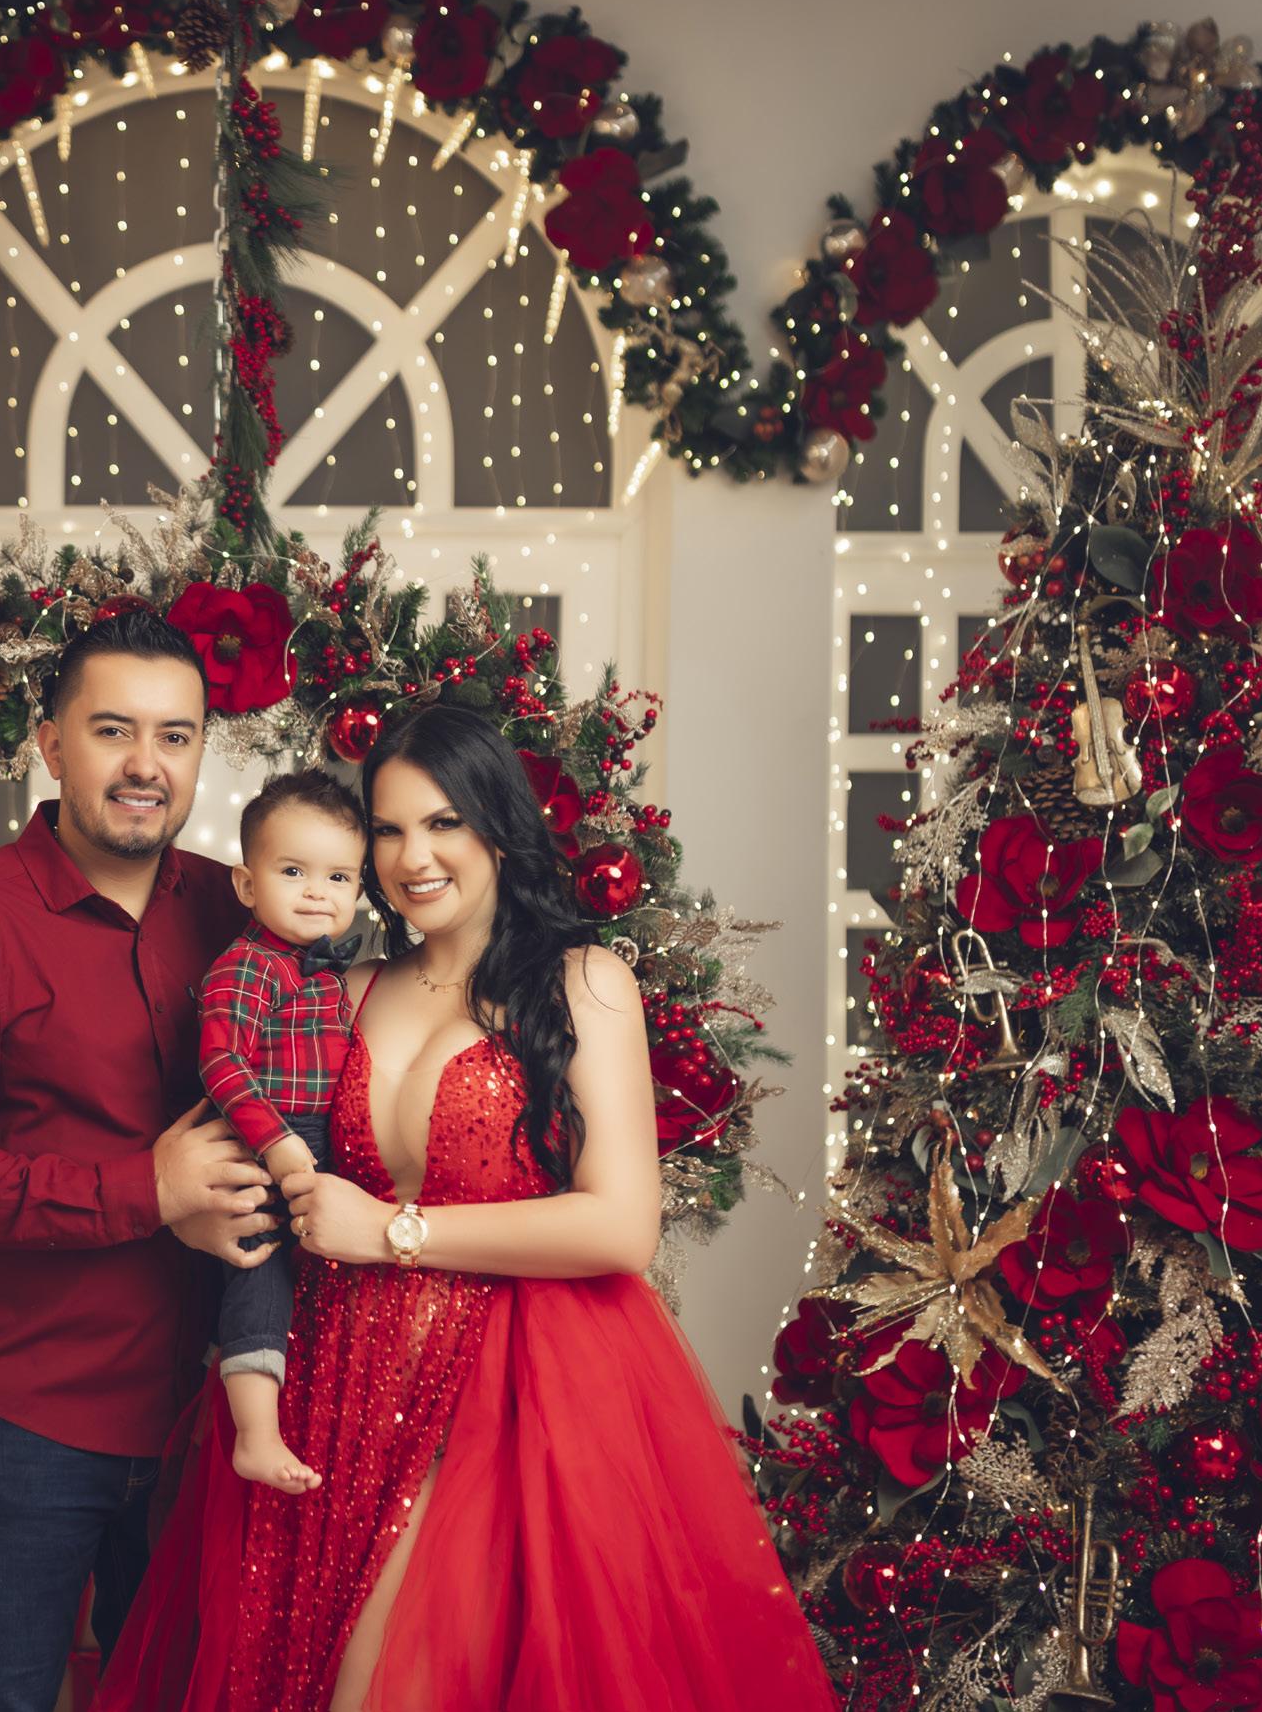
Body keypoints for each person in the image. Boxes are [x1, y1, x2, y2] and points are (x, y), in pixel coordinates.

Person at [96, 705, 836, 1712]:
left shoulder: (583, 983)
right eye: (389, 830)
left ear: (496, 825)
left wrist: (392, 1230)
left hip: (514, 1386)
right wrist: (194, 1208)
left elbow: (622, 1224)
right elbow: (243, 1139)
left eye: (442, 822)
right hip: (333, 1382)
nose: (413, 857)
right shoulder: (344, 988)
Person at [0, 607, 283, 1712]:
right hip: (23, 1424)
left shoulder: (239, 909)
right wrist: (146, 1190)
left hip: (205, 1421)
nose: (147, 764)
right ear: (51, 746)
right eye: (113, 731)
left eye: (175, 736)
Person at [197, 770, 369, 1495]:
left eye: (338, 877)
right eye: (293, 871)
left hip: (324, 1139)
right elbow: (221, 1061)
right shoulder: (248, 967)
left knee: (326, 1278)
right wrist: (275, 1141)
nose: (316, 892)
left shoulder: (327, 972)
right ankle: (255, 1434)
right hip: (270, 1139)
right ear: (246, 884)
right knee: (260, 1273)